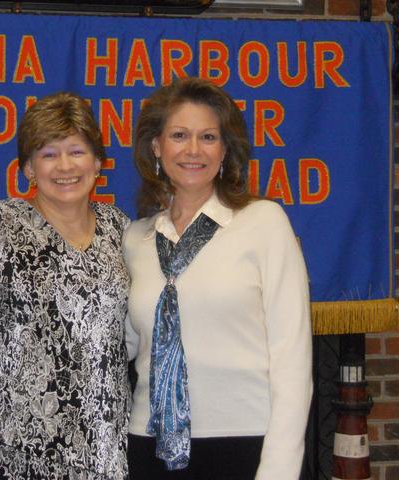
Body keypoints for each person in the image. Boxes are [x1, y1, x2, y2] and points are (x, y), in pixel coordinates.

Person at [124, 77, 313, 479]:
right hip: (147, 444)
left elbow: (292, 358)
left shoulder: (264, 222)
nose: (193, 150)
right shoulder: (135, 238)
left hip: (243, 443)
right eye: (179, 135)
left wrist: (279, 469)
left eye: (207, 136)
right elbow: (119, 345)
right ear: (156, 147)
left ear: (225, 149)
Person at [0, 92, 131, 479]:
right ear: (27, 168)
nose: (65, 166)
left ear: (98, 162)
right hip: (20, 439)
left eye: (77, 151)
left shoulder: (119, 228)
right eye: (49, 154)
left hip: (104, 436)